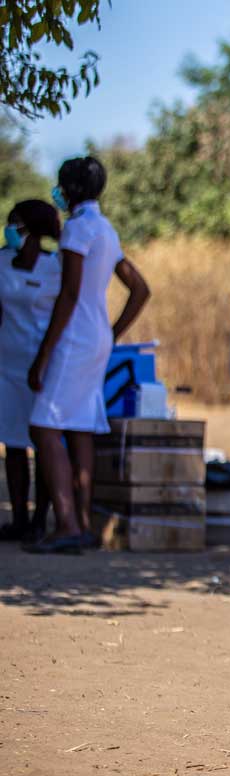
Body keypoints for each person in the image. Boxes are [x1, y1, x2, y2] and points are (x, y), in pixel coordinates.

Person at [25, 156, 150, 554]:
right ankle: (82, 521)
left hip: (75, 338)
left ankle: (66, 523)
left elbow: (70, 293)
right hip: (96, 338)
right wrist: (111, 333)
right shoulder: (106, 229)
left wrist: (44, 353)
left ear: (72, 190)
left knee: (43, 428)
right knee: (79, 428)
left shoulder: (77, 229)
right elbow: (140, 289)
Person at [0, 201, 60, 543]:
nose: (10, 230)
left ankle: (41, 519)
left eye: (16, 225)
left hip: (41, 365)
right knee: (13, 443)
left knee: (42, 442)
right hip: (6, 365)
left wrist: (45, 358)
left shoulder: (56, 268)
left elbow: (63, 314)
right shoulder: (2, 262)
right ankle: (19, 518)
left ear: (34, 231)